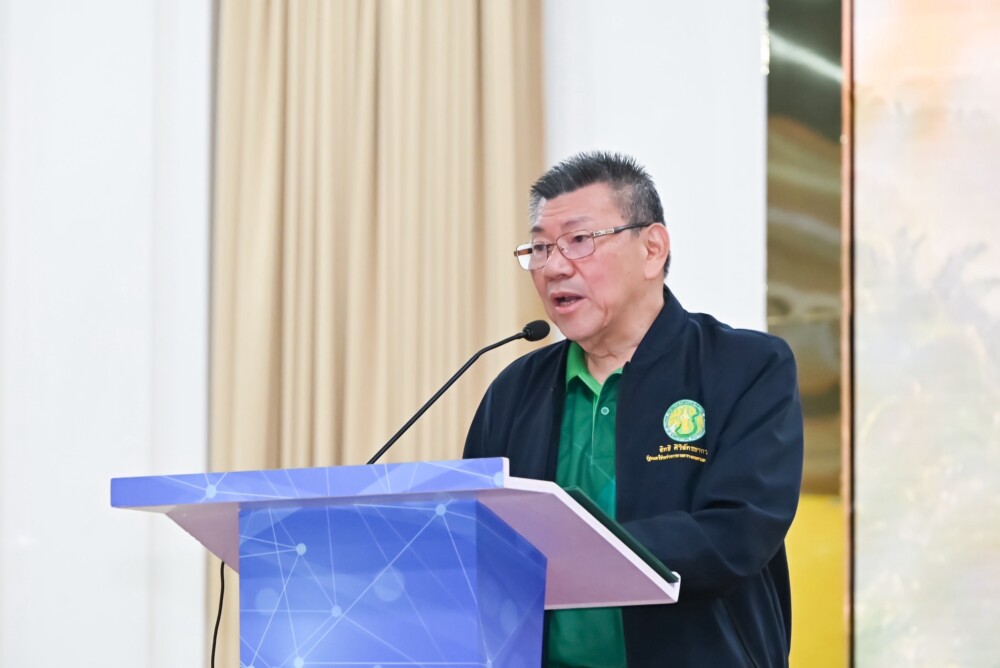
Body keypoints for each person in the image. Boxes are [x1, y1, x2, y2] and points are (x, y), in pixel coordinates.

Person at [464, 151, 804, 667]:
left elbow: (738, 534)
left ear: (652, 249)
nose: (554, 267)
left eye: (580, 240)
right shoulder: (513, 392)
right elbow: (475, 538)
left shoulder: (746, 369)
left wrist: (572, 550)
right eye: (540, 248)